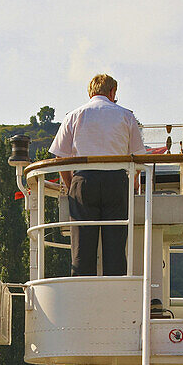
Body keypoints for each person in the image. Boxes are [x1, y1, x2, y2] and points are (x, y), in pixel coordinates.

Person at [49, 73, 147, 277]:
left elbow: (60, 158)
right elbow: (138, 159)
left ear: (91, 92)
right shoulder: (126, 116)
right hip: (116, 181)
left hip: (83, 181)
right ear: (112, 92)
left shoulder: (74, 116)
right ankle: (116, 291)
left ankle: (82, 296)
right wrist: (134, 186)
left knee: (82, 249)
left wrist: (71, 187)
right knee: (116, 248)